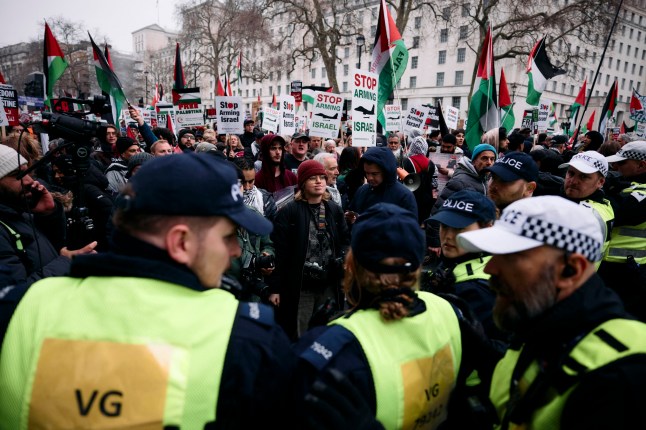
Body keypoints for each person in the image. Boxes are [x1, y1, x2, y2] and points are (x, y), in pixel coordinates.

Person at [0, 153, 297, 428]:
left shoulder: (20, 307)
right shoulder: (250, 341)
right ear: (181, 242)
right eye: (228, 236)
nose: (234, 250)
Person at [457, 195, 646, 429]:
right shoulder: (539, 323)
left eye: (511, 257)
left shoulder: (623, 375)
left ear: (570, 270)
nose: (490, 268)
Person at [295, 203, 466, 429]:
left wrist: (316, 337)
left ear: (351, 265)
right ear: (417, 267)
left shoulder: (334, 348)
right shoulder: (449, 310)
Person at [269, 160, 349, 340]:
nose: (319, 181)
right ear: (303, 183)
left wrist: (342, 259)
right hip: (301, 286)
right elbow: (280, 252)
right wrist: (275, 288)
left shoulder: (334, 210)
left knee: (327, 331)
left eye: (322, 177)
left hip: (328, 282)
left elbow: (345, 240)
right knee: (300, 331)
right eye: (313, 178)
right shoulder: (289, 212)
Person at [0, 145, 97, 287]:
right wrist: (66, 262)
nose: (29, 181)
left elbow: (50, 252)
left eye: (27, 173)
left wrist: (49, 215)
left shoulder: (18, 213)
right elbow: (11, 297)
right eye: (17, 175)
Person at [427, 190, 505, 341]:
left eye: (458, 228)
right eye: (444, 226)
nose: (448, 236)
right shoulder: (454, 260)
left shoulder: (480, 290)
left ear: (487, 229)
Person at [600, 141, 646, 321]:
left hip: (628, 272)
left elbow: (616, 214)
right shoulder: (626, 186)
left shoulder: (639, 194)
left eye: (621, 163)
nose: (615, 166)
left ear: (641, 165)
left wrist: (605, 190)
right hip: (615, 268)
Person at [559, 151, 614, 267]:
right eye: (571, 173)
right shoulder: (605, 203)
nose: (573, 181)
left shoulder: (582, 215)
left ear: (600, 182)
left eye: (584, 176)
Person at [347, 146, 418, 225]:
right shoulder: (362, 191)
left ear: (386, 172)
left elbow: (409, 230)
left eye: (374, 174)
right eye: (367, 173)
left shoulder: (404, 196)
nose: (369, 178)